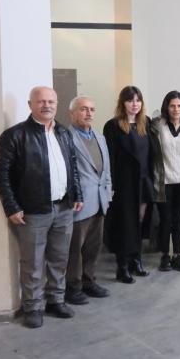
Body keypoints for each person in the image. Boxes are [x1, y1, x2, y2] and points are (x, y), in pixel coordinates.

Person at [0, 86, 83, 328]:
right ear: (30, 104)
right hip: (33, 211)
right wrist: (12, 206)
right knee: (33, 262)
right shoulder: (15, 136)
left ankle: (56, 300)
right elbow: (2, 175)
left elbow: (72, 166)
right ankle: (33, 306)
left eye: (51, 101)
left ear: (57, 104)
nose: (47, 105)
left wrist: (77, 193)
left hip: (64, 208)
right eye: (41, 101)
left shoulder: (63, 133)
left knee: (59, 258)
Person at [104, 86, 154, 284]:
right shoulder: (113, 126)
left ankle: (136, 260)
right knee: (124, 225)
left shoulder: (145, 123)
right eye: (130, 100)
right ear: (122, 103)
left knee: (140, 222)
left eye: (138, 100)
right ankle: (122, 266)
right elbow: (110, 158)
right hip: (124, 184)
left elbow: (150, 154)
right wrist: (111, 185)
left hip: (143, 182)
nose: (135, 104)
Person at [65, 96, 112, 305]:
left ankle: (89, 281)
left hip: (100, 200)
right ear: (72, 113)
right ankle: (72, 287)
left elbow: (106, 168)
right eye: (83, 109)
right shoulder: (66, 137)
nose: (89, 113)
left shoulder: (99, 137)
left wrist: (108, 192)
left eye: (92, 109)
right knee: (75, 248)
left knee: (94, 246)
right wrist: (74, 195)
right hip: (80, 202)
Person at [149, 90, 180, 273]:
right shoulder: (157, 126)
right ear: (166, 107)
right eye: (172, 106)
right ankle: (165, 255)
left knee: (179, 219)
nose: (176, 109)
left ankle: (178, 254)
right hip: (164, 181)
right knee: (165, 219)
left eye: (179, 106)